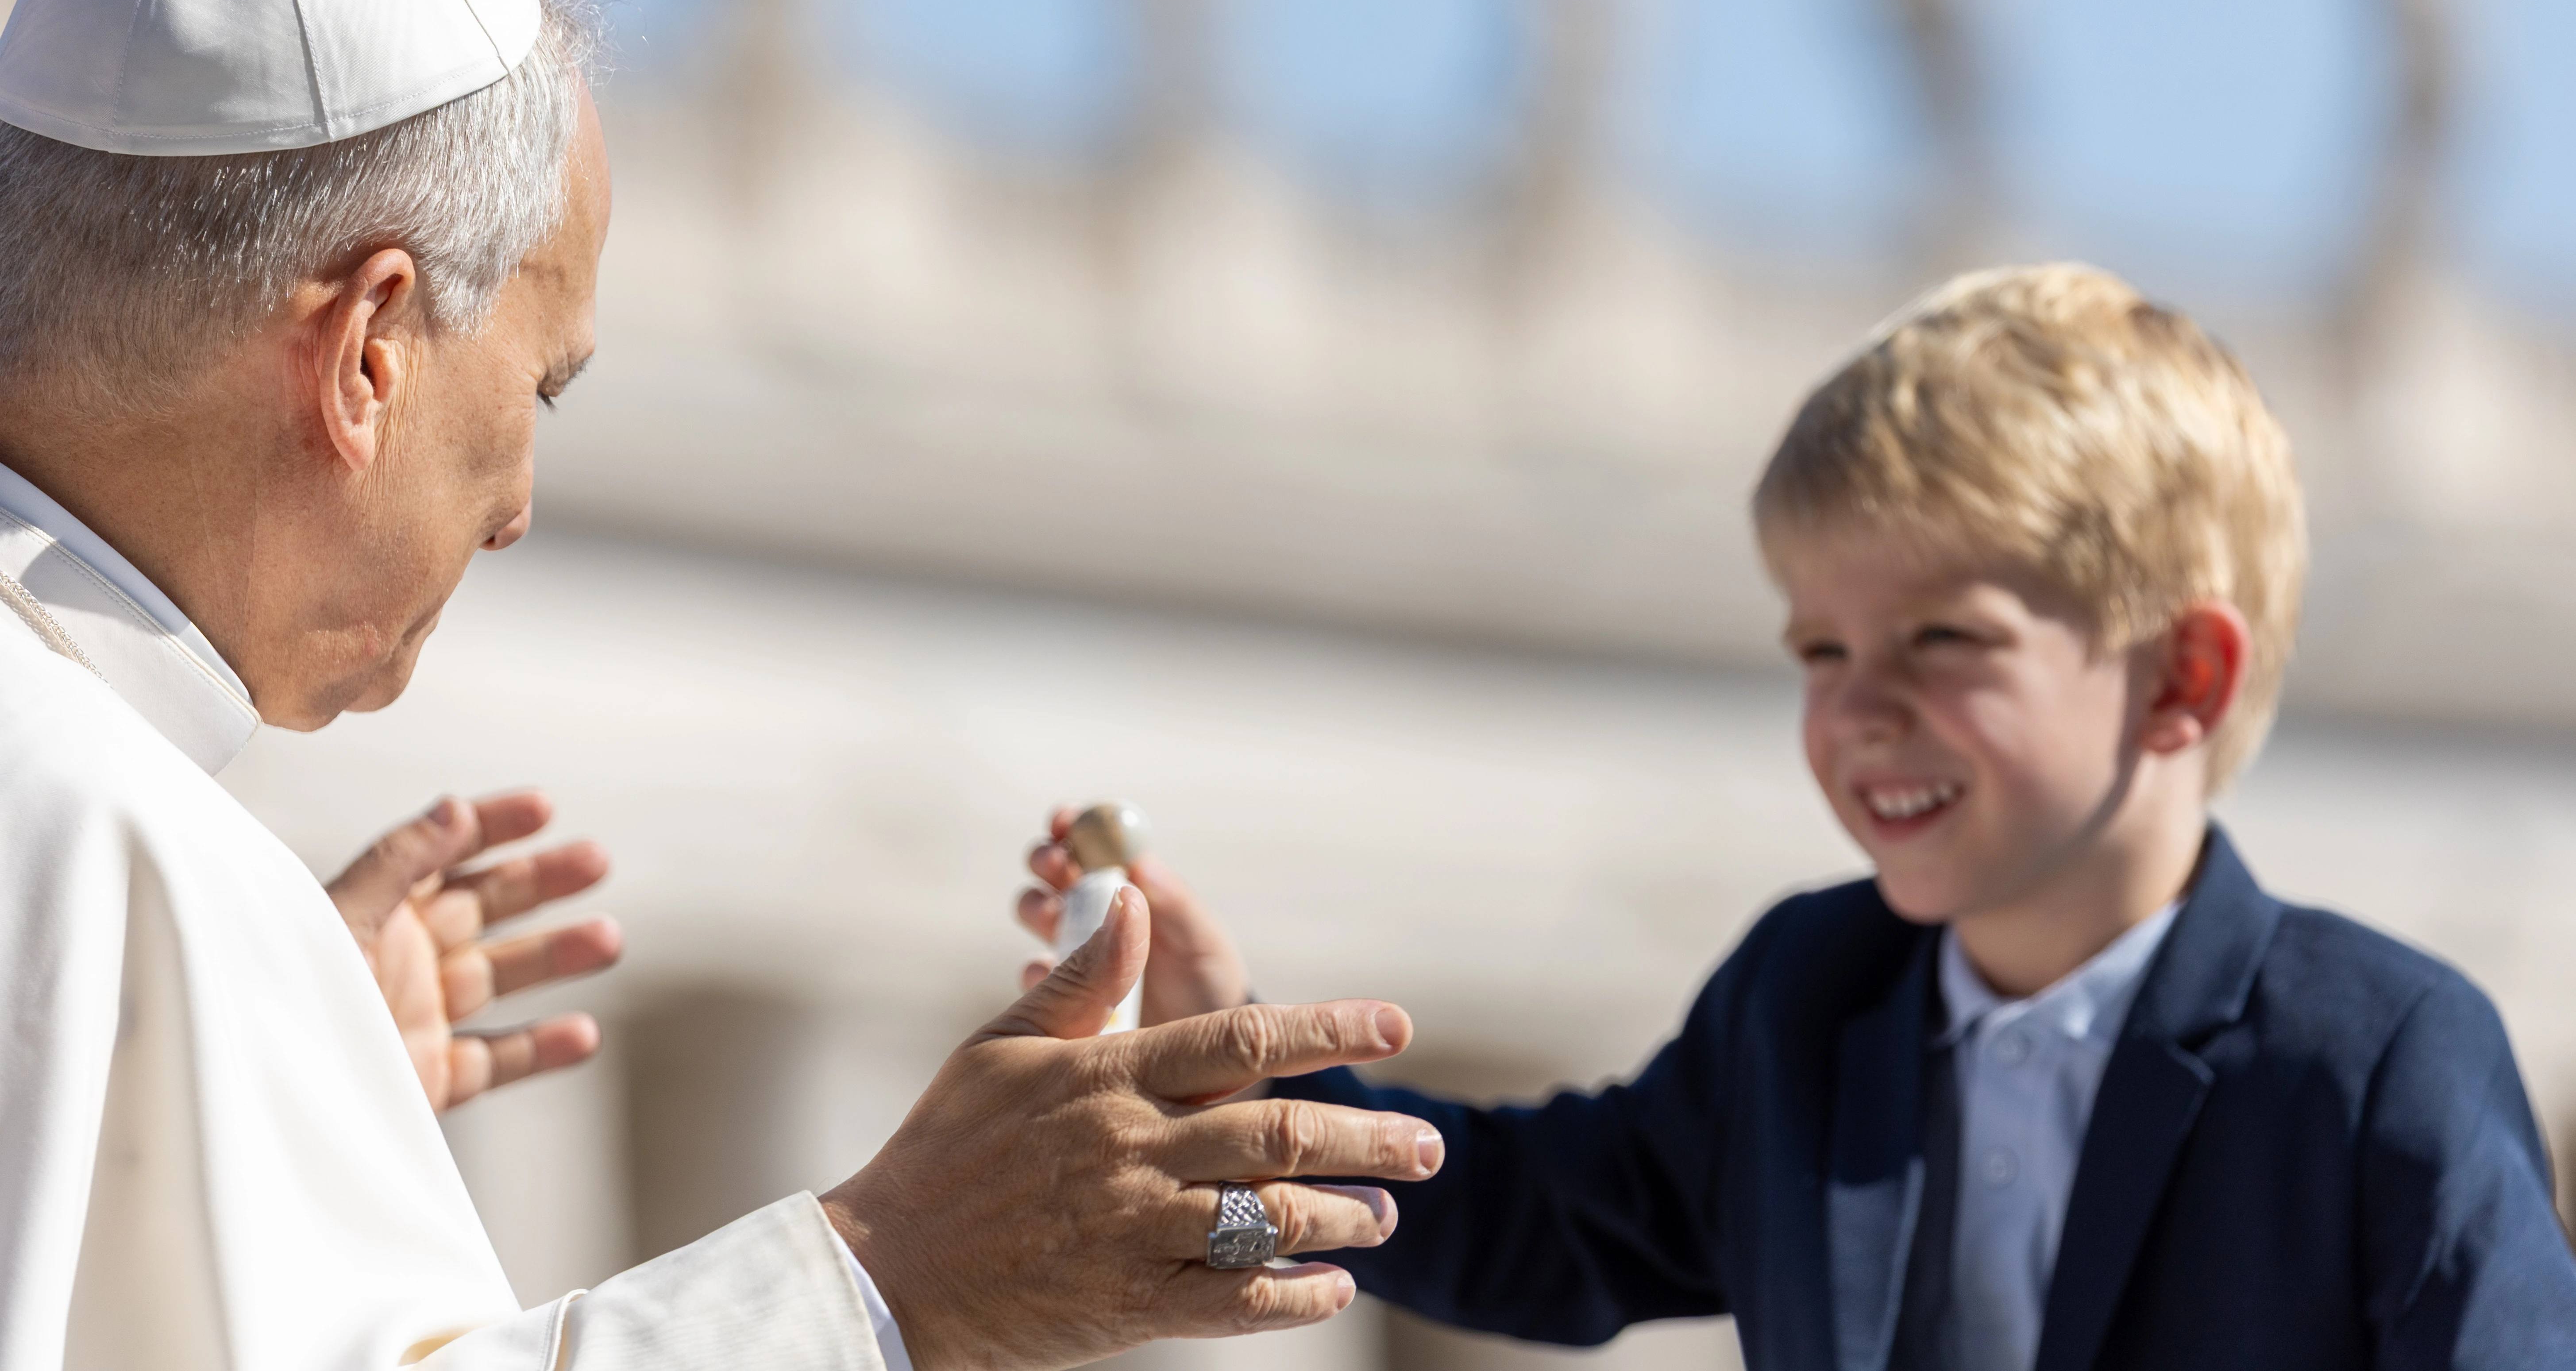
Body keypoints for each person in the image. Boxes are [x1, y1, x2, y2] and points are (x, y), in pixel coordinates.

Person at [0, 0, 1447, 1371]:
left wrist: (248, 1081)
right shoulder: (111, 837)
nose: (517, 511)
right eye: (542, 388)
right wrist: (897, 1272)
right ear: (371, 351)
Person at [1021, 263, 2576, 1369]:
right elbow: (1520, 1227)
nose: (1856, 711)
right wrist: (1237, 1056)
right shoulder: (1805, 1002)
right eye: (1821, 652)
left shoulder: (2376, 1058)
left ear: (2181, 677)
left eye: (1940, 643)